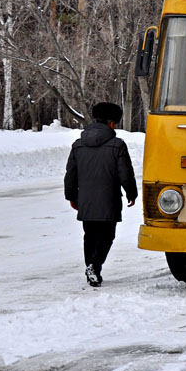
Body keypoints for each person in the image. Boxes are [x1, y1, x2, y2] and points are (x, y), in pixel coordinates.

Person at [64, 102, 137, 287]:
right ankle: (95, 266)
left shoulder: (78, 144)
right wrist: (131, 193)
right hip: (109, 199)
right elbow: (125, 173)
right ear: (112, 123)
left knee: (89, 235)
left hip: (86, 199)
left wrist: (71, 196)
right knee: (107, 236)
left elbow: (71, 173)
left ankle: (91, 267)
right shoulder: (117, 145)